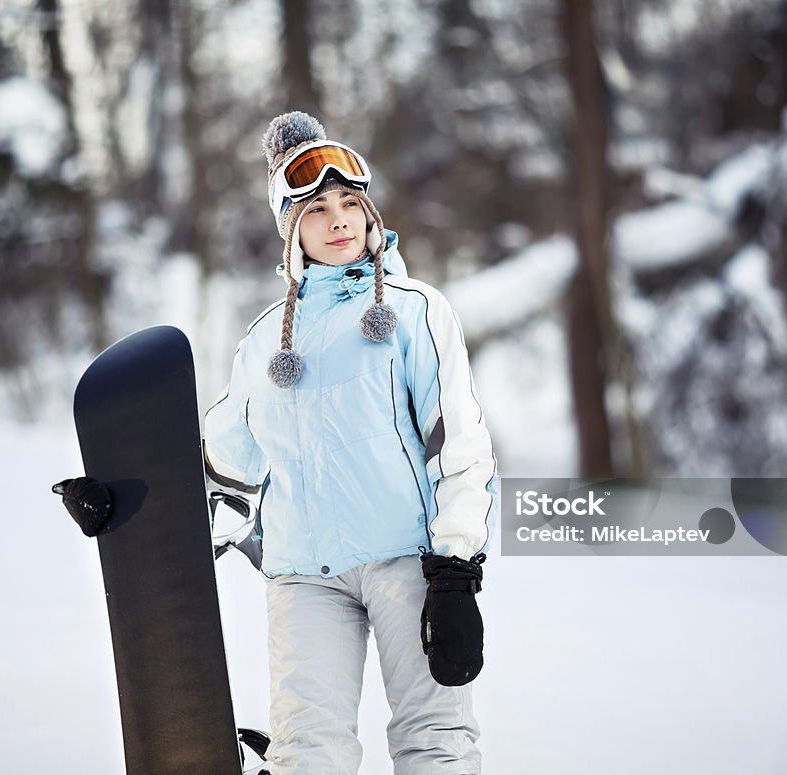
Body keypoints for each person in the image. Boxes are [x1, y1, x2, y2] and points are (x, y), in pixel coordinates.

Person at [57, 111, 498, 775]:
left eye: (351, 202)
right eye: (317, 208)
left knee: (434, 740)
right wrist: (125, 496)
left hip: (411, 564)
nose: (339, 218)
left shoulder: (414, 310)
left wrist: (457, 566)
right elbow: (221, 464)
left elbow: (457, 444)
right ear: (290, 225)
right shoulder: (265, 339)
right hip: (302, 576)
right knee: (307, 755)